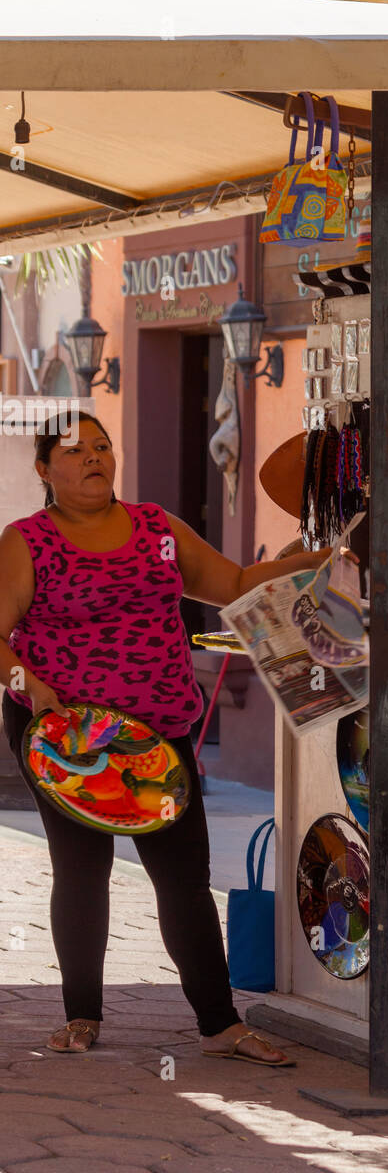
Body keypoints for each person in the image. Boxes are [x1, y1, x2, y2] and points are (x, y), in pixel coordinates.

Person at [0, 409, 341, 1063]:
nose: (95, 458)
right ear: (44, 469)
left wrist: (321, 559)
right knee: (83, 866)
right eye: (76, 452)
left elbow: (235, 585)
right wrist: (30, 684)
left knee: (181, 873)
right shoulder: (26, 541)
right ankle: (82, 1014)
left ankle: (220, 1024)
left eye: (103, 446)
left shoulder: (157, 528)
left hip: (157, 728)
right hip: (65, 731)